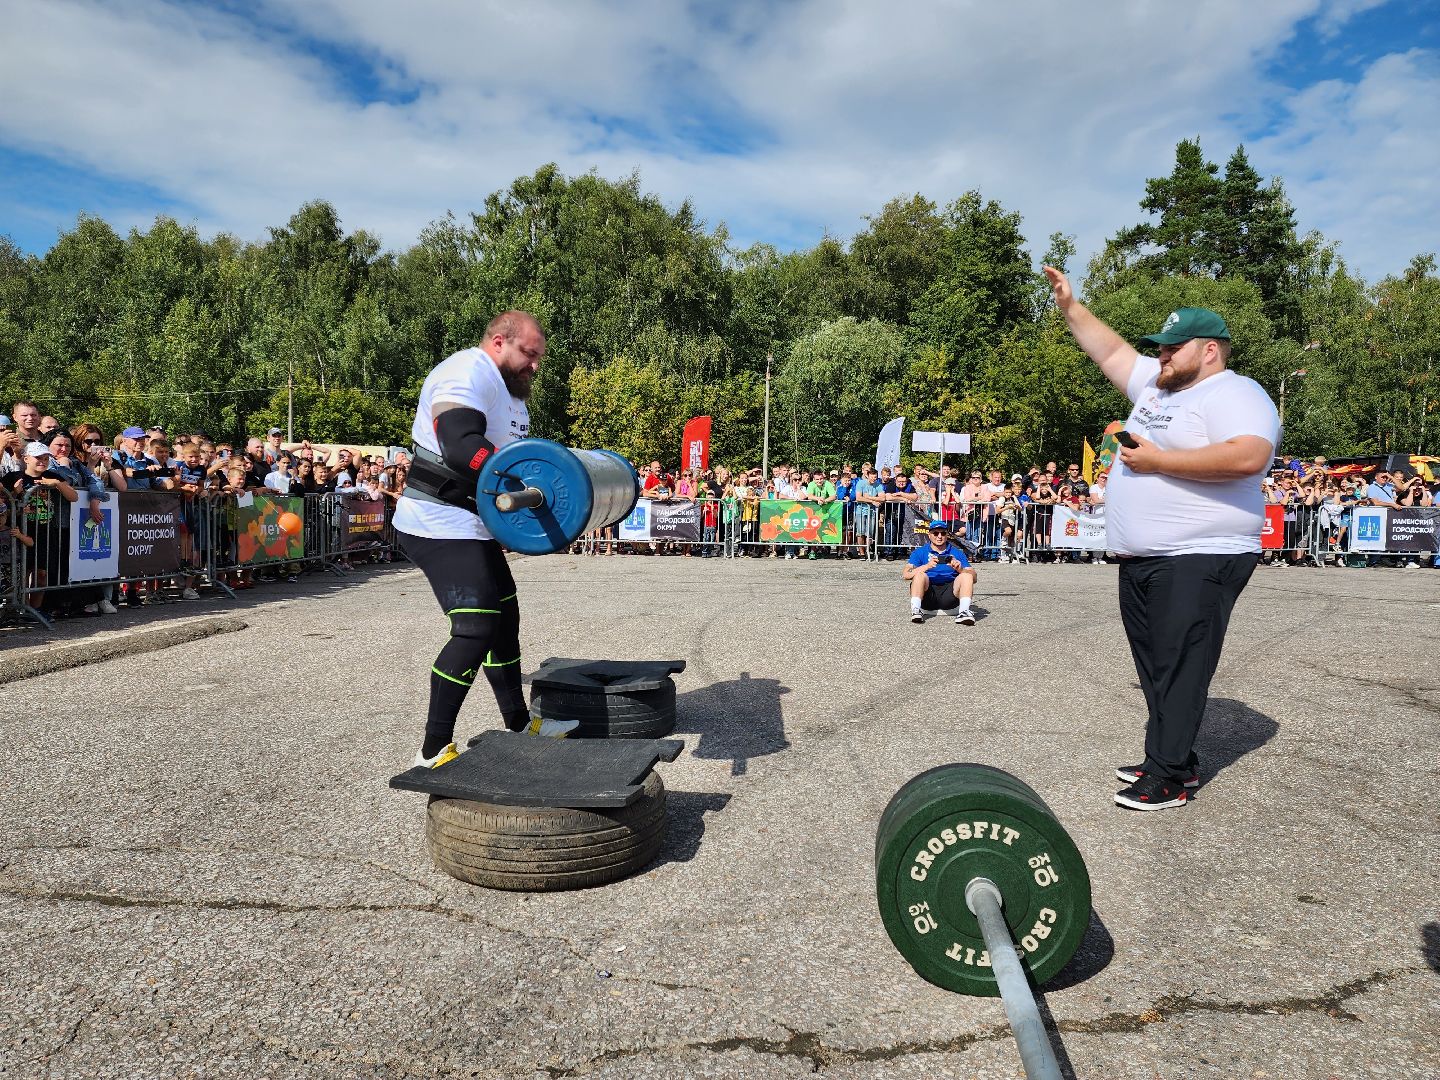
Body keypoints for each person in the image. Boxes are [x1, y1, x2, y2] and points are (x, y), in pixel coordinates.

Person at [1046, 266, 1280, 811]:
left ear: (1211, 351)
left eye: (1176, 347)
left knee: (1180, 662)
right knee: (1155, 660)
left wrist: (1158, 462)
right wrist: (1070, 306)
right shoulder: (1157, 384)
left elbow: (1249, 456)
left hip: (1202, 553)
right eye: (1162, 347)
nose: (1164, 355)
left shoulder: (1233, 391)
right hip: (1147, 556)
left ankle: (1170, 773)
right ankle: (1171, 755)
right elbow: (1110, 354)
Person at [392, 310, 577, 769]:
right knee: (475, 625)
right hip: (435, 519)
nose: (536, 365)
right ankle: (432, 749)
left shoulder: (513, 396)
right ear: (499, 342)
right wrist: (518, 482)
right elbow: (460, 446)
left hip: (472, 524)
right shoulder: (467, 371)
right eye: (530, 354)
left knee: (505, 619)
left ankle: (518, 723)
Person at [903, 519, 977, 625]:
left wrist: (959, 569)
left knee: (966, 576)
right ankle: (916, 610)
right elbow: (906, 574)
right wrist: (926, 566)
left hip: (950, 594)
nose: (939, 536)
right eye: (935, 533)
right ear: (929, 535)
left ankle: (964, 612)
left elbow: (974, 578)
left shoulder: (957, 553)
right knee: (919, 575)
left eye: (943, 533)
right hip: (928, 594)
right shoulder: (920, 552)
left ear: (947, 535)